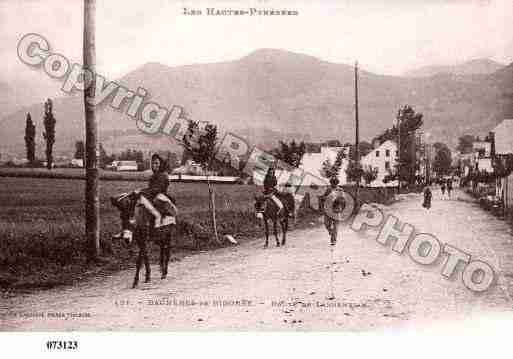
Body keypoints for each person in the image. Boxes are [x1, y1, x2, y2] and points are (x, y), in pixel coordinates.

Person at [322, 177, 344, 245]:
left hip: (337, 209)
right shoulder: (328, 189)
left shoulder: (340, 190)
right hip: (328, 209)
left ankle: (333, 240)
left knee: (335, 225)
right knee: (326, 223)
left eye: (335, 183)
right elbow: (323, 197)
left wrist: (337, 199)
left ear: (337, 183)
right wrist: (328, 198)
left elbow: (343, 199)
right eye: (332, 183)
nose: (333, 184)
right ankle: (331, 232)